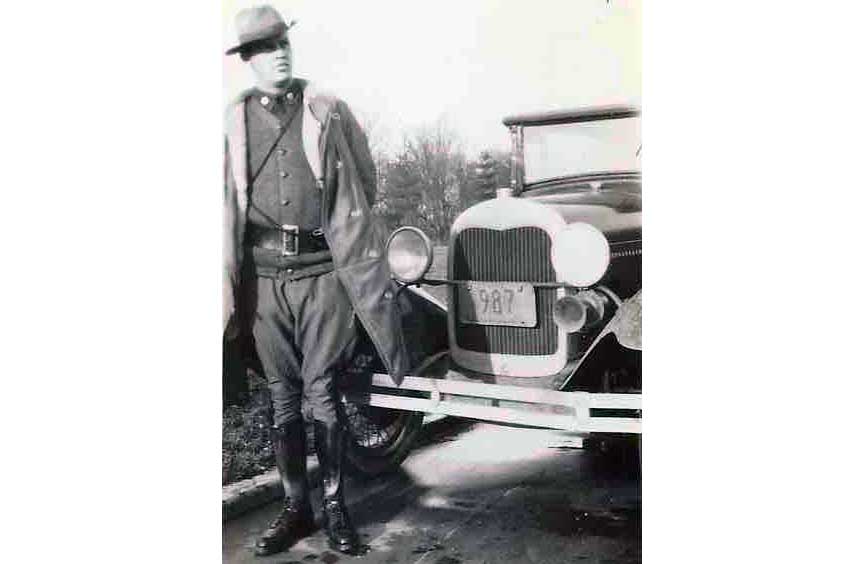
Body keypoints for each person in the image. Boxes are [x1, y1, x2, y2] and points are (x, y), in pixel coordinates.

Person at [223, 4, 414, 557]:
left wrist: (342, 239)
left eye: (282, 42)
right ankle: (294, 508)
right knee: (282, 398)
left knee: (322, 392)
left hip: (324, 274)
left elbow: (365, 181)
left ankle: (335, 507)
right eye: (264, 48)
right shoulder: (231, 122)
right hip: (263, 281)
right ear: (250, 61)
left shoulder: (327, 110)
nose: (277, 53)